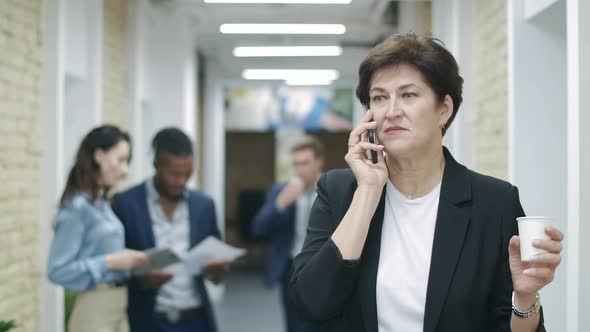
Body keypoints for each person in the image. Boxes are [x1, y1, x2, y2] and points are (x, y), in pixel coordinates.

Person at [289, 33, 564, 332]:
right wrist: (368, 190)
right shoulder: (339, 191)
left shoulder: (495, 202)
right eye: (380, 97)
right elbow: (311, 303)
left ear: (443, 109)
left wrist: (524, 300)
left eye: (408, 95)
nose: (391, 110)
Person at [112, 127, 228, 332]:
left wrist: (217, 271)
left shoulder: (204, 205)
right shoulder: (125, 204)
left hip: (196, 320)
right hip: (148, 321)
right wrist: (142, 280)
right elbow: (113, 265)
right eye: (174, 174)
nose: (181, 181)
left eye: (187, 173)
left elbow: (215, 265)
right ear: (156, 163)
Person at [47, 125, 149, 332]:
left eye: (127, 162)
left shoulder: (101, 204)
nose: (124, 171)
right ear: (99, 155)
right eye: (120, 160)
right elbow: (57, 271)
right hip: (95, 308)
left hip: (118, 305)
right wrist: (110, 261)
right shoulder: (77, 209)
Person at [251, 135, 324, 332]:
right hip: (291, 269)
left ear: (319, 161)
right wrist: (280, 204)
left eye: (305, 163)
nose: (300, 169)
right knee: (294, 325)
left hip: (325, 268)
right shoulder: (282, 190)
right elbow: (257, 228)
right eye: (296, 164)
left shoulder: (333, 188)